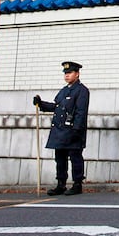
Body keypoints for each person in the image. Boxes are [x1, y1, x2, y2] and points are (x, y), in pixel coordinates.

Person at [33, 61, 90, 196]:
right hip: (60, 131)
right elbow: (56, 107)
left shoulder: (82, 91)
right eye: (65, 73)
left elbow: (81, 112)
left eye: (69, 73)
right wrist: (41, 104)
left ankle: (77, 184)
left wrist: (76, 129)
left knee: (75, 157)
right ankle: (61, 184)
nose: (67, 76)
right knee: (60, 158)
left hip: (73, 130)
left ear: (77, 74)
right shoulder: (64, 91)